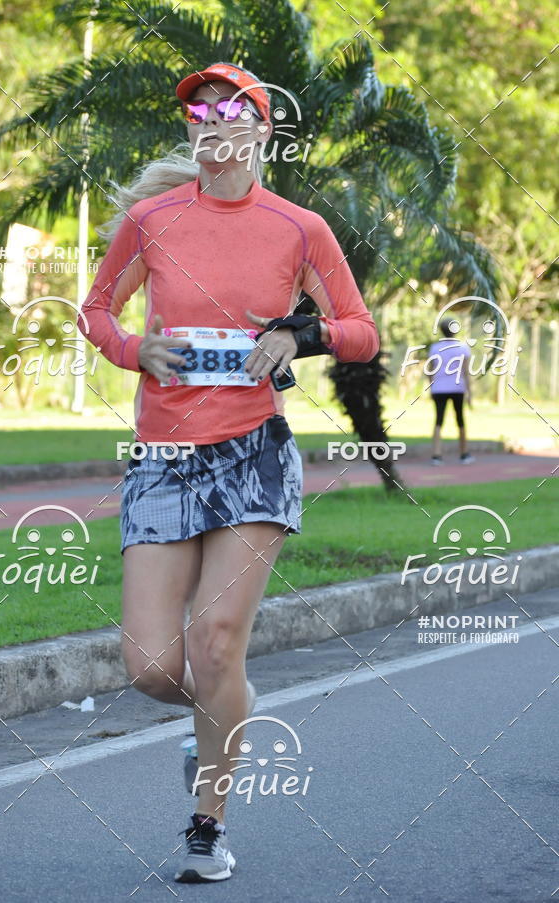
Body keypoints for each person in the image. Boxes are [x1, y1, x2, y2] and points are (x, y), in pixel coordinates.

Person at [79, 61, 379, 883]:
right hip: (165, 454)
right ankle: (220, 722)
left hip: (255, 450)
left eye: (231, 109)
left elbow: (361, 329)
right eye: (198, 111)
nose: (213, 121)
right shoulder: (151, 221)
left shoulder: (298, 227)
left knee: (217, 644)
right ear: (190, 130)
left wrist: (300, 335)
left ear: (261, 130)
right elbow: (96, 310)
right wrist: (139, 350)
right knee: (150, 665)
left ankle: (207, 826)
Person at [427, 317, 474, 465]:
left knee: (438, 420)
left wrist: (431, 386)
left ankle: (436, 454)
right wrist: (470, 392)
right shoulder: (463, 348)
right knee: (460, 420)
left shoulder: (434, 348)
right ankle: (464, 454)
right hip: (457, 388)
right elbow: (466, 372)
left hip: (438, 388)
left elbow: (430, 370)